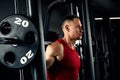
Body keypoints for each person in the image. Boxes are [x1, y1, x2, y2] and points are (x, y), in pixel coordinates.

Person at [45, 15, 83, 80]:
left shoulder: (73, 48)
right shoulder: (57, 47)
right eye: (78, 27)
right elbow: (41, 70)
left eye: (81, 27)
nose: (81, 30)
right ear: (67, 28)